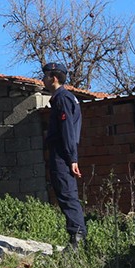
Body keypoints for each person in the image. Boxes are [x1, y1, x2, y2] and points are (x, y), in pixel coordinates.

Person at [42, 62, 87, 250]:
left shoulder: (63, 99)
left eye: (45, 76)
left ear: (53, 78)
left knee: (67, 193)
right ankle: (77, 236)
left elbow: (68, 131)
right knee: (65, 193)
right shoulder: (64, 98)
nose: (42, 80)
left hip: (62, 154)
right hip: (62, 153)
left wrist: (72, 158)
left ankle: (77, 239)